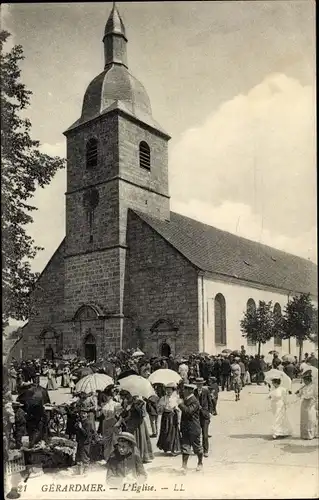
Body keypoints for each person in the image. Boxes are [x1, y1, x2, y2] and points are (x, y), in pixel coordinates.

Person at [120, 391, 153, 463]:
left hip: (139, 423)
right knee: (132, 439)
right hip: (131, 423)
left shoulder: (141, 402)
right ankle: (133, 456)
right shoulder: (127, 402)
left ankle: (141, 457)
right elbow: (125, 413)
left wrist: (135, 406)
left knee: (140, 438)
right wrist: (126, 411)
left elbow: (143, 414)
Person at [178, 383, 204, 474]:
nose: (183, 391)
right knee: (185, 447)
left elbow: (188, 411)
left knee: (197, 447)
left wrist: (180, 405)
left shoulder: (195, 401)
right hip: (185, 428)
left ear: (190, 391)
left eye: (185, 390)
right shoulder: (185, 400)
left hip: (193, 428)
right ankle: (184, 466)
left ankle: (200, 463)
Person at [157, 383, 181, 455]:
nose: (168, 391)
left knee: (173, 431)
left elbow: (179, 408)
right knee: (165, 431)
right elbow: (159, 409)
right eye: (167, 390)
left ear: (173, 390)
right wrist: (162, 407)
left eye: (170, 390)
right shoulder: (163, 398)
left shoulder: (176, 398)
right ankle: (166, 447)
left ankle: (173, 449)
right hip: (165, 416)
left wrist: (176, 408)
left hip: (173, 416)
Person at [101, 385, 123, 462]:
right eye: (107, 395)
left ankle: (115, 458)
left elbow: (121, 415)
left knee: (115, 441)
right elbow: (100, 415)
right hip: (105, 423)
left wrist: (118, 423)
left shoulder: (116, 404)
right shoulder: (103, 404)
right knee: (106, 442)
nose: (107, 397)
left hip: (113, 422)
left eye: (108, 395)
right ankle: (108, 458)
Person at [296, 370, 318, 440]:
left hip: (311, 403)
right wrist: (298, 392)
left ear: (309, 379)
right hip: (304, 404)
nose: (304, 382)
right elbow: (299, 395)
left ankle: (311, 434)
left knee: (310, 419)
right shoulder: (304, 387)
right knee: (304, 419)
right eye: (304, 380)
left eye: (305, 380)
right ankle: (304, 435)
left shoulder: (314, 386)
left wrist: (304, 394)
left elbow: (310, 395)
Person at [74, 407, 96, 474]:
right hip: (80, 442)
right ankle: (78, 471)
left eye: (84, 413)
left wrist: (81, 428)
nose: (83, 415)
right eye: (81, 413)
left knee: (85, 457)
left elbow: (86, 434)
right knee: (78, 456)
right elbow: (76, 431)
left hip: (85, 442)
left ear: (87, 414)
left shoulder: (88, 423)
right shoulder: (80, 421)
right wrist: (76, 426)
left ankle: (85, 472)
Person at [194, 378, 212, 457]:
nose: (199, 385)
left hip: (205, 415)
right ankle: (198, 449)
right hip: (197, 416)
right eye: (198, 384)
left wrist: (210, 412)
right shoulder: (194, 392)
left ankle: (206, 450)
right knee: (197, 434)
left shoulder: (206, 391)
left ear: (203, 384)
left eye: (201, 384)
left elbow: (210, 402)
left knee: (205, 434)